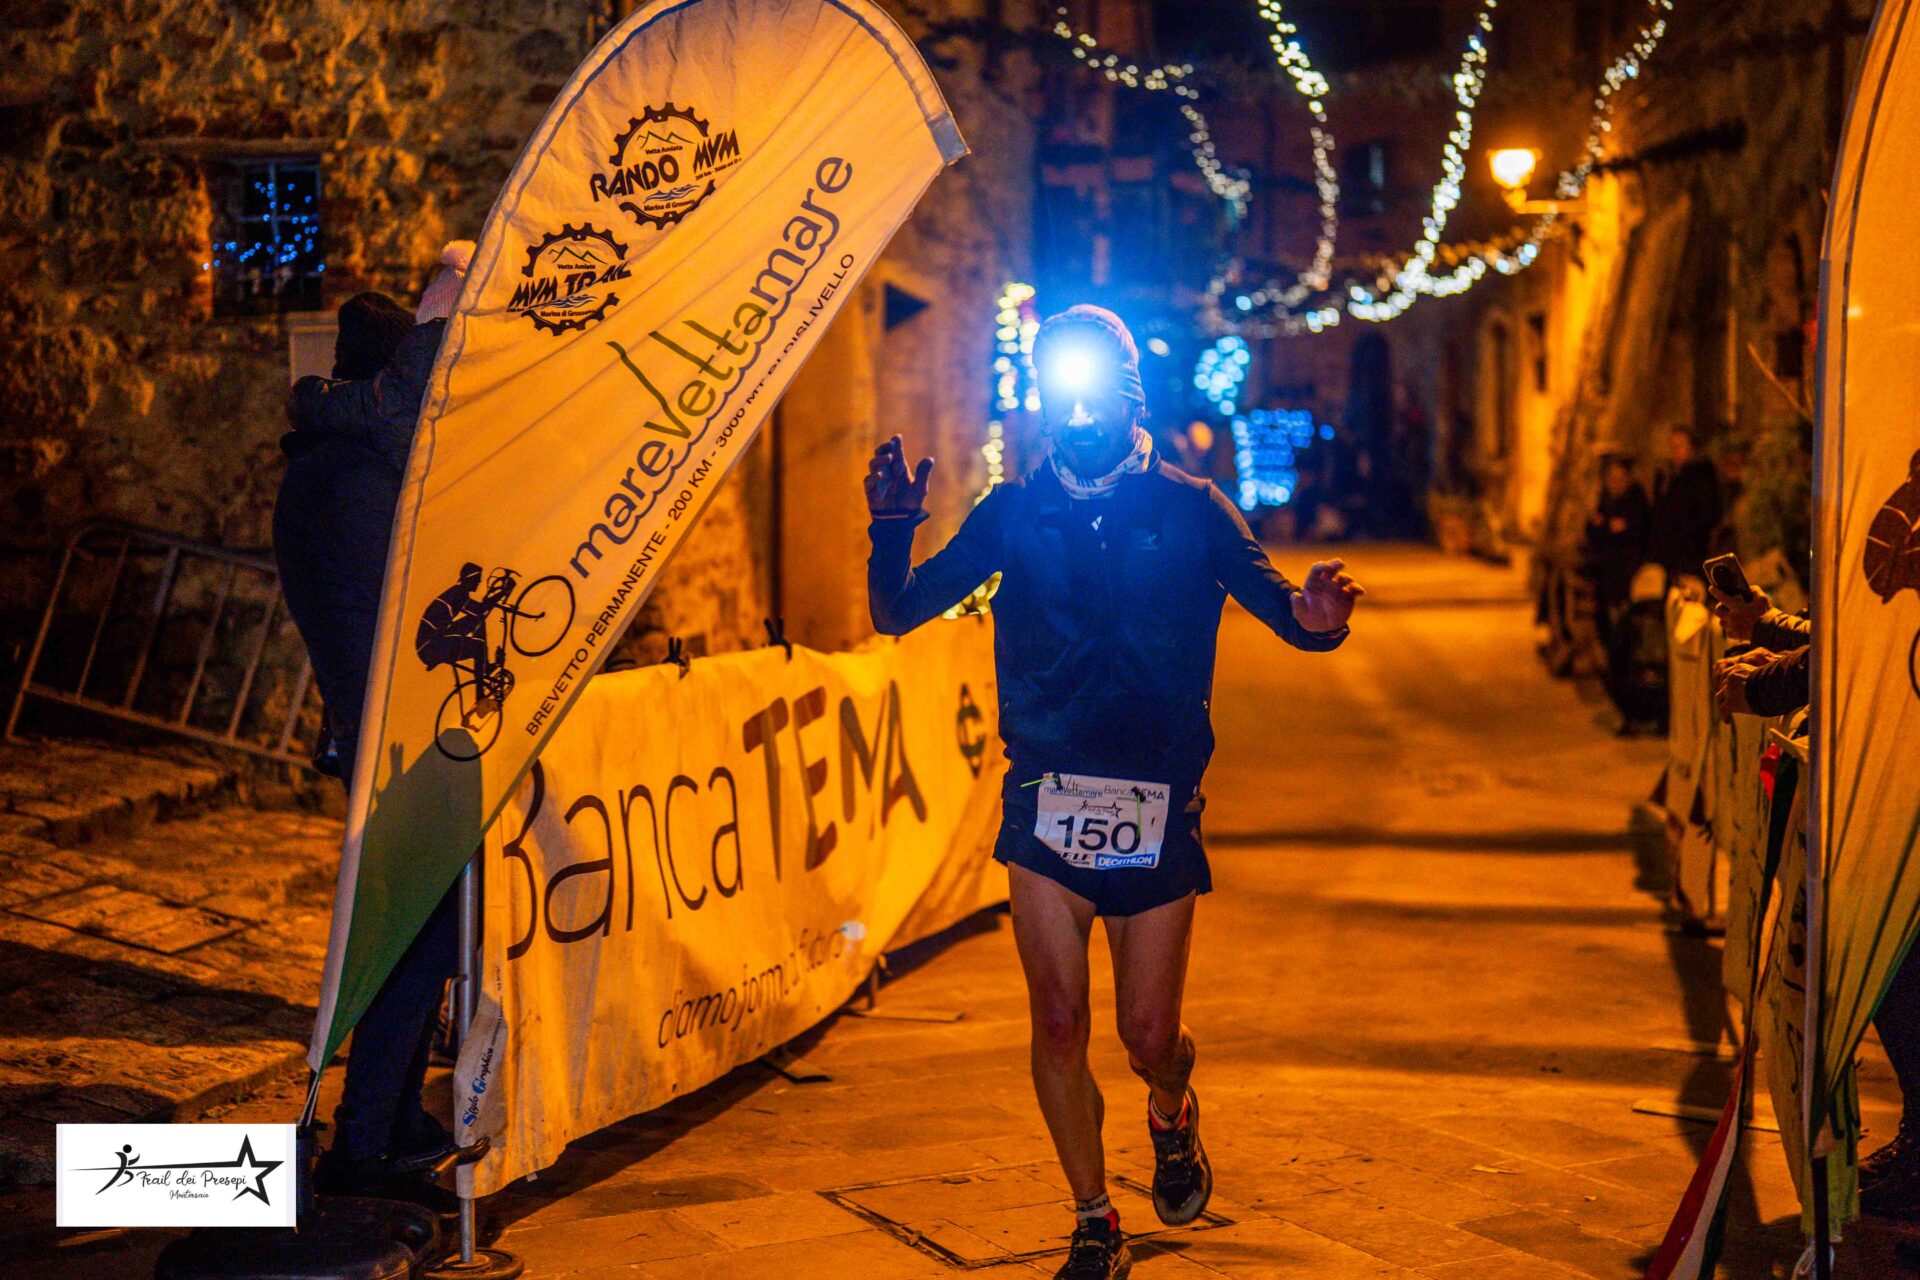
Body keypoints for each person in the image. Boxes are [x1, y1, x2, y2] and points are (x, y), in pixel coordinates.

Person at [865, 305, 1362, 1280]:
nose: (1081, 413)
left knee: (1146, 1034)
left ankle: (1171, 1110)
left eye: (1097, 393)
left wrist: (1317, 617)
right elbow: (899, 610)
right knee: (1058, 1021)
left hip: (1156, 802)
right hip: (1044, 797)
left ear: (1133, 395)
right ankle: (1095, 1218)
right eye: (1064, 395)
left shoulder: (1192, 506)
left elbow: (1281, 608)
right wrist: (890, 530)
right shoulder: (1013, 510)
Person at [273, 243, 472, 1208]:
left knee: (421, 926)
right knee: (418, 930)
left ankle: (388, 1121)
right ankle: (363, 1147)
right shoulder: (360, 465)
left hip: (383, 732)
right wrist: (446, 307)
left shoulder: (320, 463)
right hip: (396, 741)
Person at [1582, 451, 1651, 718]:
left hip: (1625, 576)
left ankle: (1626, 694)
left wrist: (1610, 528)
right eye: (1611, 478)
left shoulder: (1635, 500)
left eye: (1619, 478)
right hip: (1605, 576)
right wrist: (1608, 527)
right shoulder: (1606, 499)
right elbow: (1594, 530)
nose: (1615, 483)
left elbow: (1633, 532)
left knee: (1624, 633)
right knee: (1606, 629)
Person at [1648, 424, 1722, 581]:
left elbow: (1707, 514)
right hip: (1667, 555)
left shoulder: (1702, 476)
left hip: (1691, 554)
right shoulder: (1667, 476)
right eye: (1672, 446)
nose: (1674, 451)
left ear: (1692, 448)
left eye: (1680, 446)